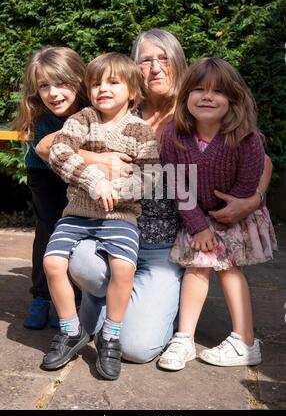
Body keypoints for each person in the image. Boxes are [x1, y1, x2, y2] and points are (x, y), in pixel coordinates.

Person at [37, 29, 273, 365]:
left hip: (163, 244)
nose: (156, 68)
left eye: (164, 59)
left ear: (179, 64)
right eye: (146, 60)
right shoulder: (117, 110)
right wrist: (97, 159)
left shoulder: (195, 112)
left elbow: (260, 157)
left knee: (137, 348)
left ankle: (122, 310)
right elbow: (48, 146)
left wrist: (253, 199)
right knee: (83, 264)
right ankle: (100, 299)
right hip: (110, 229)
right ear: (135, 70)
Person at [41, 52, 159, 380]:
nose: (102, 89)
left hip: (121, 216)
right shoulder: (82, 119)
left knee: (123, 268)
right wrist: (94, 179)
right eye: (95, 83)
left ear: (133, 91)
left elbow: (152, 177)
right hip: (77, 212)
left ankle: (111, 334)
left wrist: (117, 191)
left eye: (113, 82)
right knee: (52, 263)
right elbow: (59, 152)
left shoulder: (140, 131)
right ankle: (70, 329)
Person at [158, 57, 277, 371]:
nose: (207, 96)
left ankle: (245, 341)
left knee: (227, 267)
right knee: (196, 267)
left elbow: (247, 184)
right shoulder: (174, 136)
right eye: (198, 89)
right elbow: (177, 185)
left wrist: (225, 219)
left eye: (217, 92)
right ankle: (184, 338)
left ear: (234, 100)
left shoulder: (247, 139)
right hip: (195, 214)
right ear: (185, 98)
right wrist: (199, 226)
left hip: (234, 213)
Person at [14, 46, 88, 329]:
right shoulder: (39, 114)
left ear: (77, 80)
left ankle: (74, 295)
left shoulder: (93, 107)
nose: (53, 94)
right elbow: (47, 150)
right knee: (49, 227)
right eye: (44, 86)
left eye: (60, 83)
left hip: (79, 170)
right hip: (43, 171)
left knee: (77, 228)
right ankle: (42, 297)